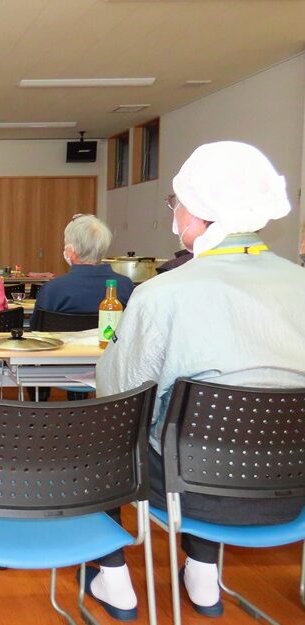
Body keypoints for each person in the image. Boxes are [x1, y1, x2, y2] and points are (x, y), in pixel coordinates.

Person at [88, 142, 305, 621]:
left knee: (99, 436)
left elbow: (117, 395)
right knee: (223, 435)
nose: (175, 213)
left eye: (175, 203)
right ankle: (203, 575)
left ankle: (114, 579)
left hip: (190, 489)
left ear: (199, 214)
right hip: (291, 488)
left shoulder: (162, 295)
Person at [30, 214, 135, 329]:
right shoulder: (126, 287)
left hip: (66, 347)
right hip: (109, 347)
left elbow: (37, 331)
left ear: (71, 251)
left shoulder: (52, 289)